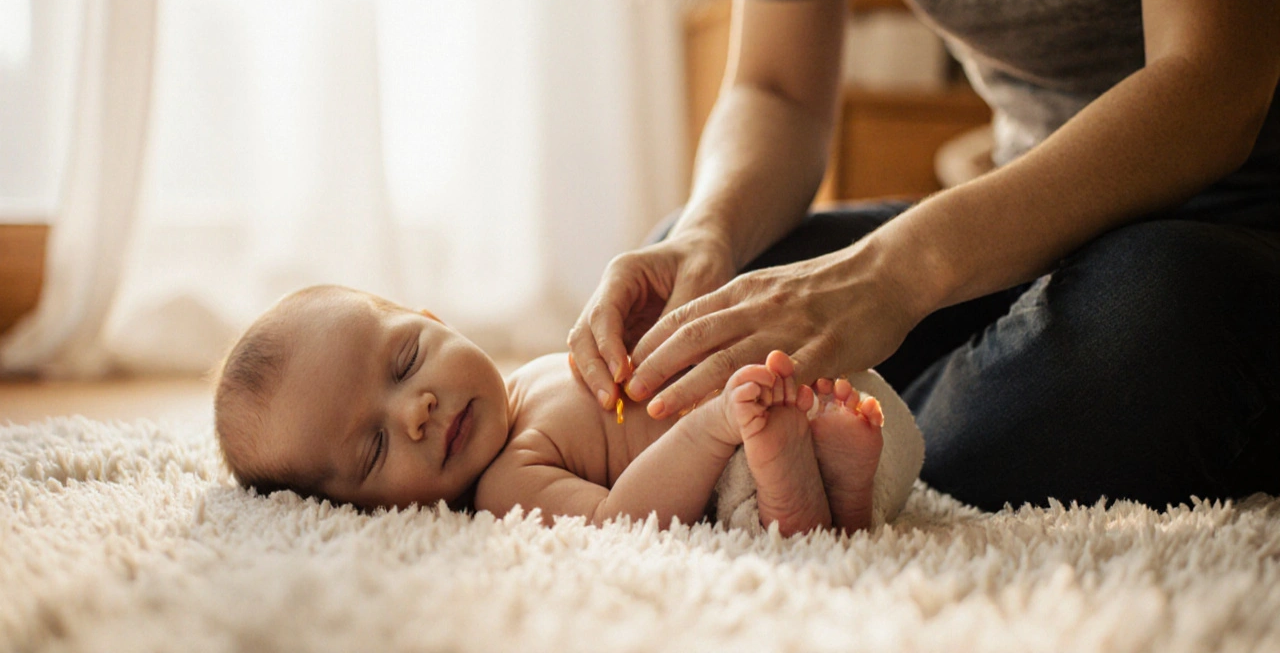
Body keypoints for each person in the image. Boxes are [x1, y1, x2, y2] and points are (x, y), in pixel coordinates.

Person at [570, 0, 1280, 511]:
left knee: (1157, 310)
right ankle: (855, 452)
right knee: (696, 287)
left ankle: (808, 463)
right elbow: (775, 89)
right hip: (1030, 230)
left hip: (1234, 232)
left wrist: (897, 271)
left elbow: (1214, 86)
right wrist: (709, 231)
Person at [213, 285, 923, 535]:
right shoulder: (504, 486)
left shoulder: (532, 376)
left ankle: (833, 454)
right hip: (750, 449)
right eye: (372, 449)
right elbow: (621, 522)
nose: (416, 411)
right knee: (754, 496)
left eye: (406, 360)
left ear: (434, 316)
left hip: (799, 391)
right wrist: (712, 428)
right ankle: (835, 496)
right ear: (356, 509)